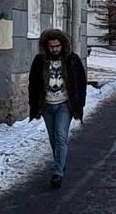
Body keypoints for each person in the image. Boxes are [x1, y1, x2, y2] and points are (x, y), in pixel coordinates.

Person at [28, 28, 88, 188]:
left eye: (57, 46)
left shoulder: (72, 60)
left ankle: (58, 173)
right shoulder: (40, 61)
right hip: (47, 105)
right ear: (46, 46)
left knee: (61, 136)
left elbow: (81, 82)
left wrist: (80, 103)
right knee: (53, 137)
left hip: (64, 105)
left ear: (62, 45)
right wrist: (34, 104)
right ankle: (60, 162)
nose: (54, 49)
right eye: (51, 46)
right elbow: (33, 83)